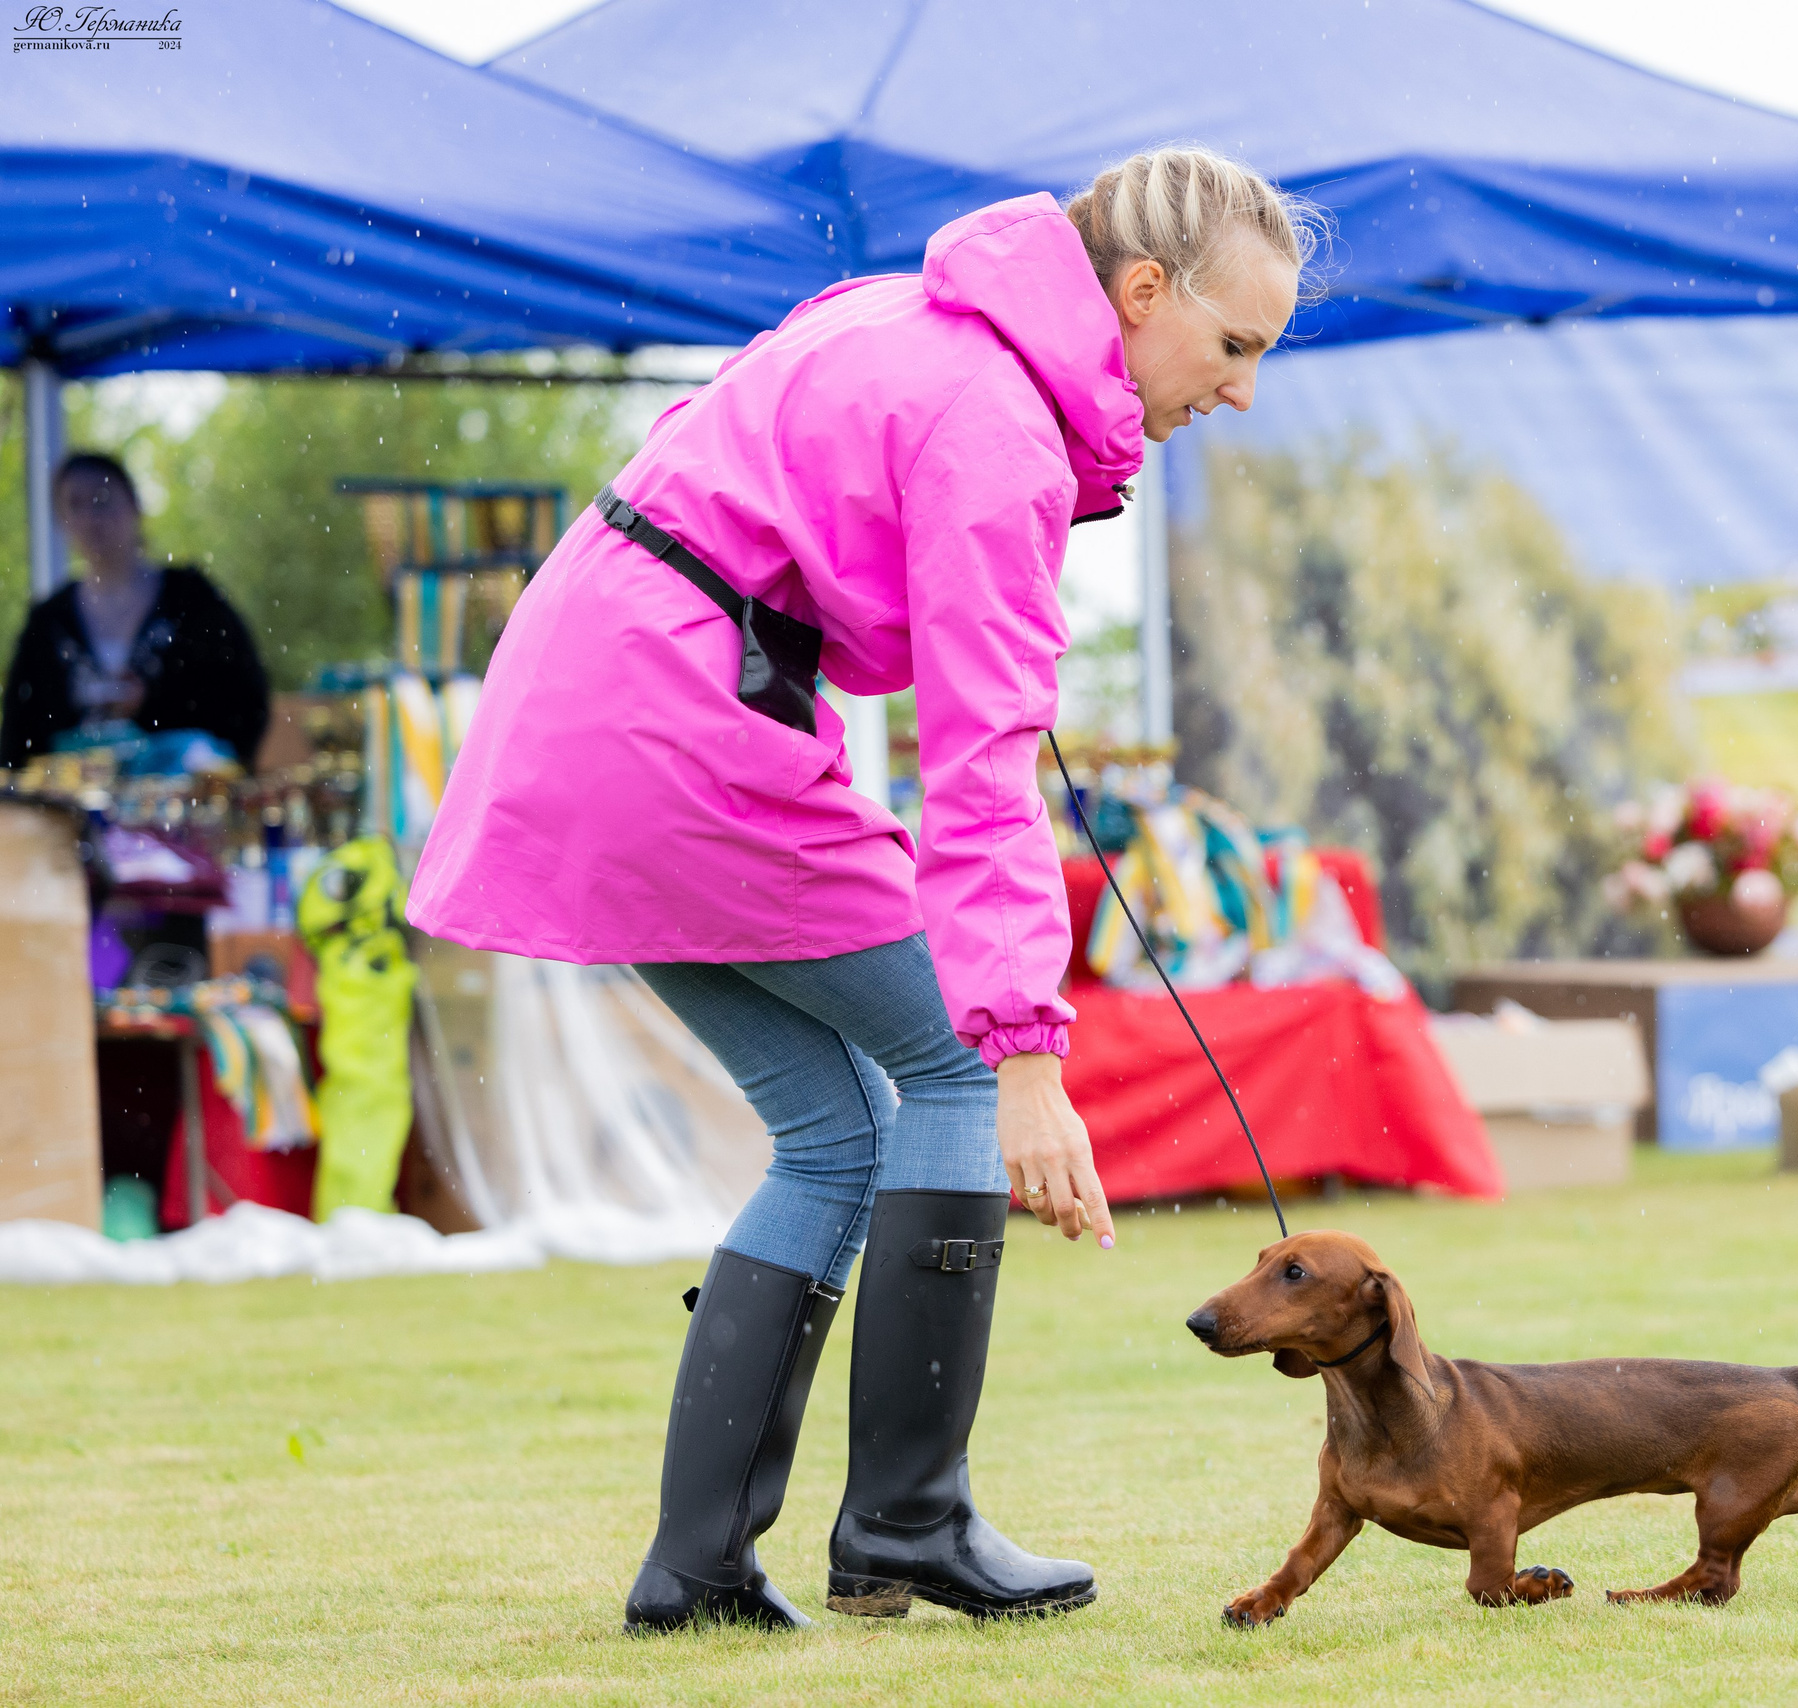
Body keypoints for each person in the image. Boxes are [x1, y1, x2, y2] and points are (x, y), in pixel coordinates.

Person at [407, 147, 1313, 1631]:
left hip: (587, 712)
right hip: (672, 719)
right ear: (1144, 293)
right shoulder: (995, 424)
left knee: (832, 1135)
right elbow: (980, 769)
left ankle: (699, 1569)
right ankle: (905, 1522)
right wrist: (1026, 1055)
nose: (1243, 389)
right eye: (1235, 345)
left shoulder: (913, 316)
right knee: (952, 1054)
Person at [1, 452, 270, 772]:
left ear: (135, 505)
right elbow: (19, 737)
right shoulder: (48, 621)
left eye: (102, 500)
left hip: (185, 797)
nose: (90, 518)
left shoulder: (191, 599)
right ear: (61, 520)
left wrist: (154, 702)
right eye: (74, 505)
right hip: (69, 800)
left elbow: (245, 702)